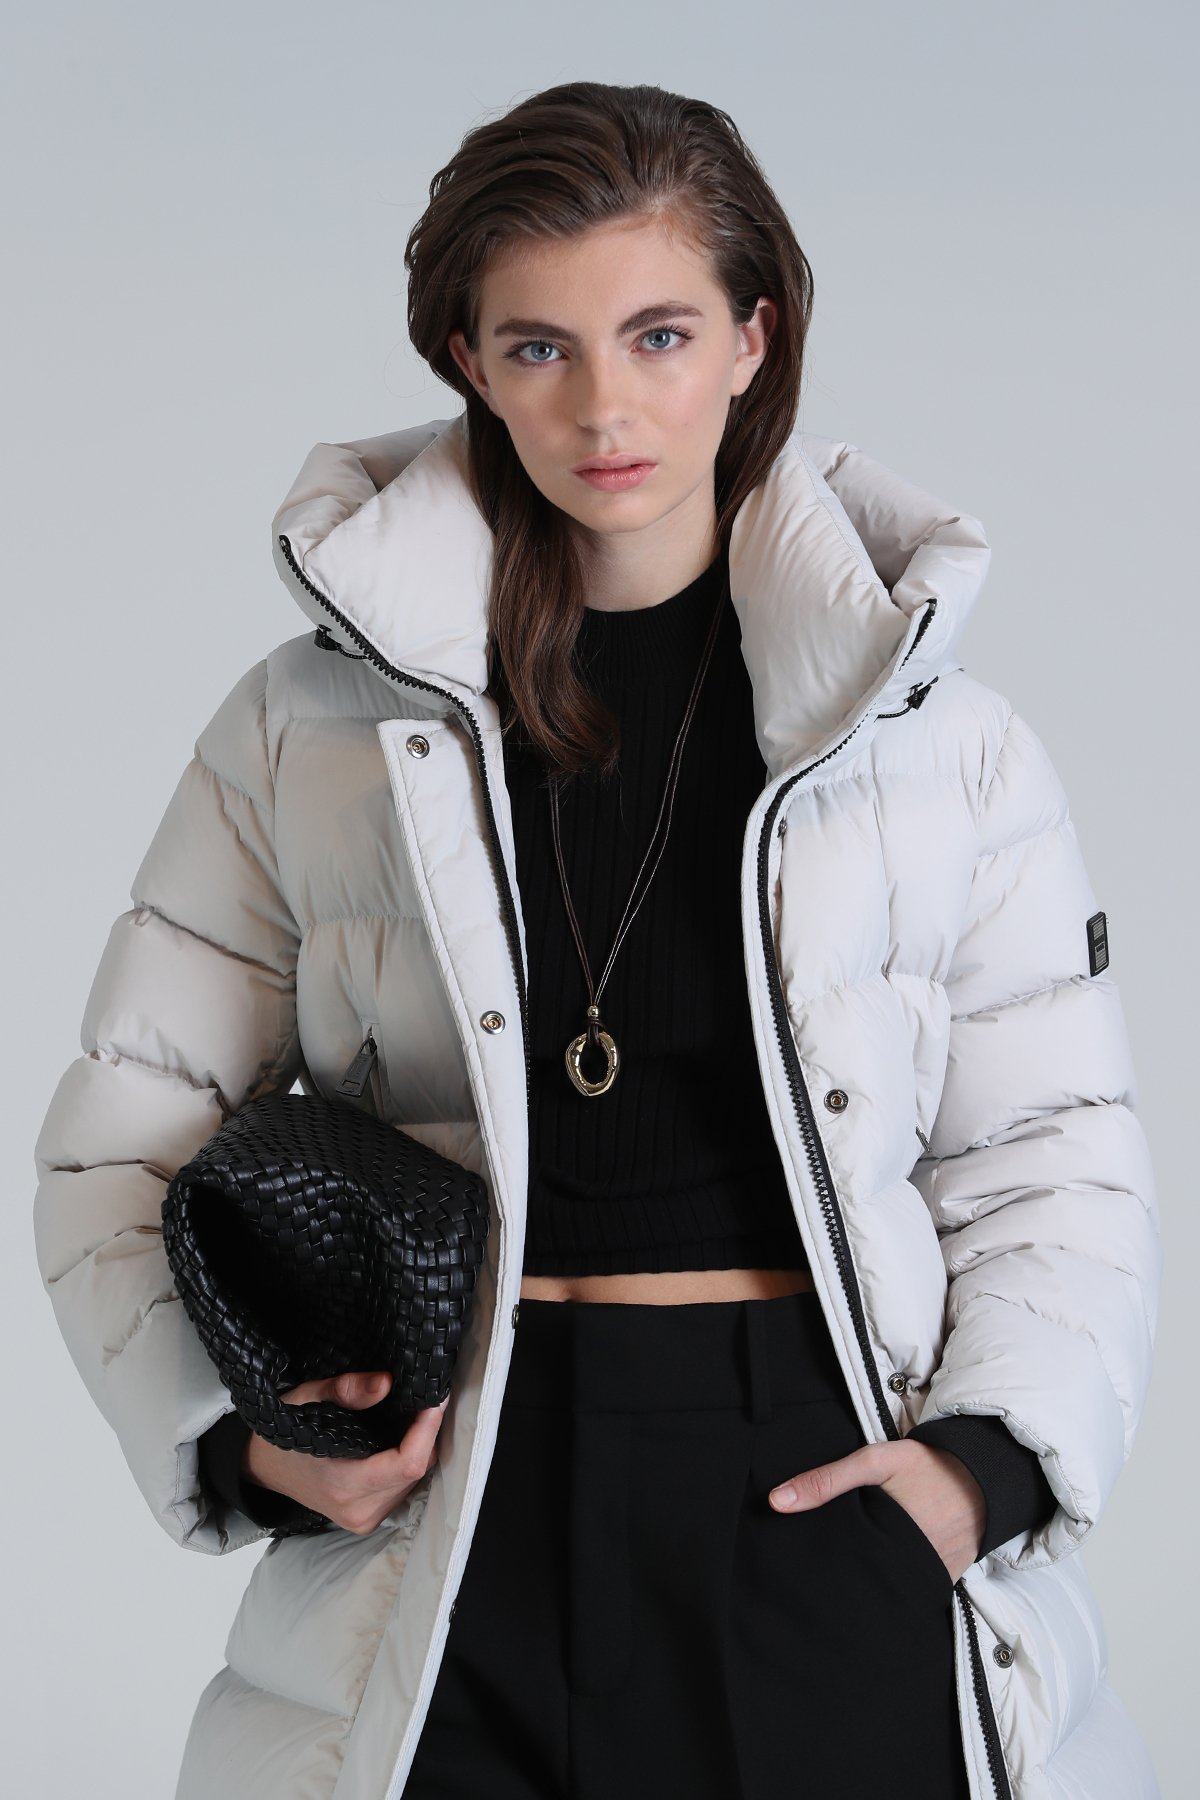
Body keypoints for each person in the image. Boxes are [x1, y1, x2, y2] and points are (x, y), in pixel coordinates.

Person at [31, 79, 1160, 1800]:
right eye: (539, 347)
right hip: (447, 1505)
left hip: (815, 1486)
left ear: (753, 340)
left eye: (659, 335)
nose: (605, 405)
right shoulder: (309, 730)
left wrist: (979, 1474)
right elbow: (121, 1135)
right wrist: (251, 1448)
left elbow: (1052, 1157)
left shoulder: (939, 746)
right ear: (470, 365)